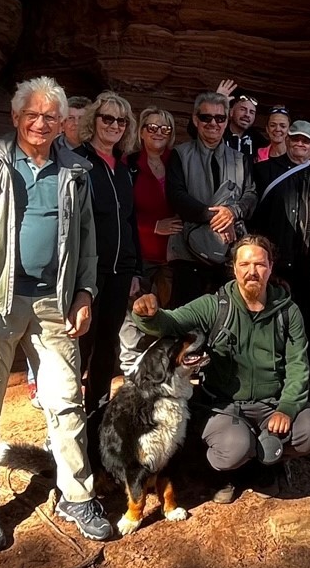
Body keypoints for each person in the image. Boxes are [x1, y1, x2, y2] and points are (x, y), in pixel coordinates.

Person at [0, 77, 111, 551]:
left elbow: (88, 245)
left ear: (62, 123)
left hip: (53, 305)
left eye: (50, 117)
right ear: (15, 118)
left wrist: (84, 293)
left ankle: (77, 495)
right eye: (32, 115)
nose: (40, 123)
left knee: (65, 404)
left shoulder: (74, 170)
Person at [129, 235, 310, 504]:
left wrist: (288, 407)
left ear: (270, 267)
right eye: (244, 264)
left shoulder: (288, 311)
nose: (252, 271)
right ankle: (222, 473)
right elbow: (170, 322)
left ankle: (264, 462)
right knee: (233, 448)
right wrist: (147, 314)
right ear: (233, 268)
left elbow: (298, 365)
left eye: (259, 264)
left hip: (272, 404)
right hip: (223, 406)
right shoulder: (215, 306)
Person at [78, 90, 144, 403]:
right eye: (108, 118)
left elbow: (129, 221)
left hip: (121, 271)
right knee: (81, 342)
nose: (115, 125)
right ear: (94, 120)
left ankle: (97, 405)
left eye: (121, 120)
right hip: (89, 271)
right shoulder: (78, 163)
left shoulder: (123, 169)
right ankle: (67, 409)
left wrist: (135, 269)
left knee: (108, 342)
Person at [254, 121, 310, 357]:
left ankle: (305, 382)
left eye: (306, 140)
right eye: (296, 138)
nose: (300, 143)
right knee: (273, 324)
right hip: (277, 265)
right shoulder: (264, 172)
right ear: (287, 140)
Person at [167, 91, 257, 305]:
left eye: (220, 118)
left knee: (226, 319)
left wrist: (232, 213)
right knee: (186, 322)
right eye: (206, 117)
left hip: (228, 251)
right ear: (195, 120)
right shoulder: (180, 154)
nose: (213, 123)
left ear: (227, 121)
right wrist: (216, 219)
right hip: (188, 252)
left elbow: (251, 194)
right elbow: (176, 196)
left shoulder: (241, 159)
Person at [132, 106, 180, 301]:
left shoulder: (178, 162)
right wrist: (153, 226)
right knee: (137, 312)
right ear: (142, 132)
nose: (159, 132)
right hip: (142, 253)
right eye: (152, 127)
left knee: (169, 315)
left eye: (165, 129)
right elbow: (120, 212)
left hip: (173, 253)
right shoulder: (129, 164)